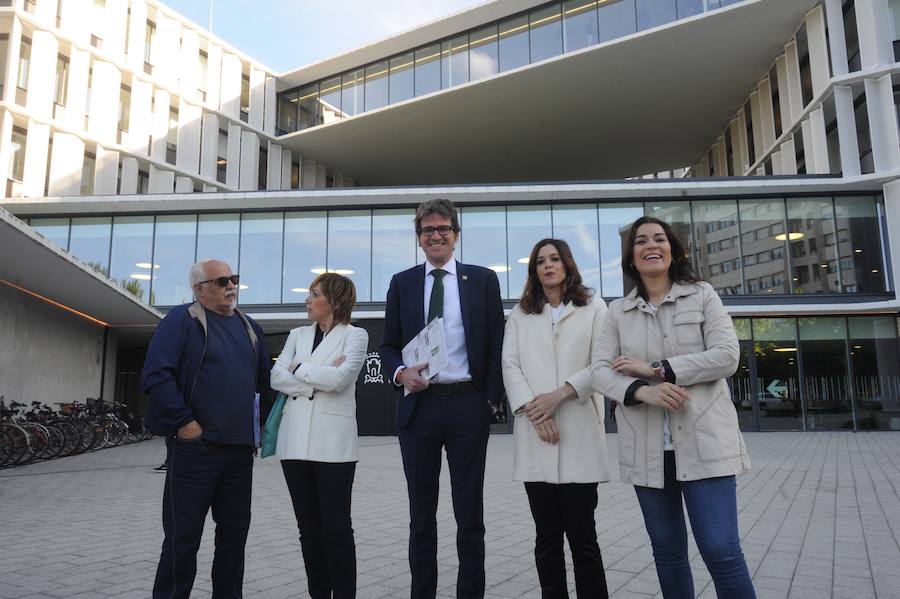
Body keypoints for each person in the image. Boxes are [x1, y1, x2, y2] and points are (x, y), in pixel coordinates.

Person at [591, 217, 755, 599]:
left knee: (722, 551)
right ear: (631, 256)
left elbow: (728, 356)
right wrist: (641, 391)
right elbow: (600, 371)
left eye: (660, 239)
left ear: (673, 249)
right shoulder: (618, 311)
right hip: (648, 452)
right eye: (641, 241)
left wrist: (659, 370)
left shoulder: (702, 295)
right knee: (667, 553)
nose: (652, 245)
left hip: (705, 444)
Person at [379, 198, 505, 599]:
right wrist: (401, 373)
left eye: (443, 229)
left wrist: (489, 400)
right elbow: (387, 347)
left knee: (470, 513)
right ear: (419, 239)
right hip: (420, 408)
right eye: (427, 230)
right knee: (421, 516)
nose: (436, 235)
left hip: (467, 405)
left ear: (456, 235)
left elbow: (496, 344)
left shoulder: (482, 280)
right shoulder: (403, 283)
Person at [142, 259, 271, 599]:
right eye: (221, 280)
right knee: (182, 539)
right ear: (199, 289)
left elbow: (263, 382)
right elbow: (157, 374)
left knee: (233, 540)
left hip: (239, 453)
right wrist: (185, 424)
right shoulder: (182, 321)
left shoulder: (250, 328)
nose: (231, 286)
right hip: (195, 450)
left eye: (234, 279)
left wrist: (257, 427)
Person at [501, 238, 610, 599]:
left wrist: (560, 394)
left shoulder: (594, 307)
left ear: (567, 265)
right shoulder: (520, 313)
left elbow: (602, 363)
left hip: (578, 430)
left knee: (583, 538)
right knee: (546, 537)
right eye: (540, 262)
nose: (548, 266)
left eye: (555, 259)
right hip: (536, 433)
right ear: (534, 271)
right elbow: (510, 365)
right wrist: (535, 410)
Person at [270, 273, 368, 599]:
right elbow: (275, 376)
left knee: (336, 529)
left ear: (335, 301)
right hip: (293, 441)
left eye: (314, 294)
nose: (307, 300)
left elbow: (341, 378)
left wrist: (298, 369)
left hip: (334, 445)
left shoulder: (355, 336)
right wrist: (315, 377)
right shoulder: (297, 334)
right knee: (308, 531)